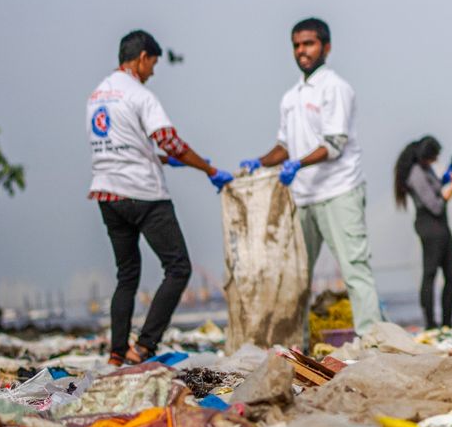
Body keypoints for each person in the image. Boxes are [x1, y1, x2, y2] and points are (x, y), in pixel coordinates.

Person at [87, 30, 230, 366]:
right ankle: (144, 347)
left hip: (107, 193)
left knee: (127, 275)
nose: (152, 72)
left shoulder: (96, 96)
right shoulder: (140, 95)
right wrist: (207, 168)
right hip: (144, 194)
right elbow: (169, 140)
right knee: (178, 267)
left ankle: (116, 354)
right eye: (152, 64)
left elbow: (128, 145)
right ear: (142, 58)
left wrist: (164, 159)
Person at [238, 18, 382, 333]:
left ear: (326, 47)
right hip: (302, 197)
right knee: (296, 276)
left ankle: (372, 339)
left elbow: (334, 144)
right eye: (297, 45)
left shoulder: (335, 88)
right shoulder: (290, 97)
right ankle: (296, 344)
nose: (302, 51)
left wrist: (296, 165)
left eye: (309, 44)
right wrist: (260, 163)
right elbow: (284, 146)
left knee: (354, 268)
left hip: (339, 191)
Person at [393, 135, 452, 329]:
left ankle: (447, 323)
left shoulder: (425, 168)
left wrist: (447, 177)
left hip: (442, 225)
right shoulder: (415, 173)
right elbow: (436, 205)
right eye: (434, 157)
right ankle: (430, 323)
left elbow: (437, 187)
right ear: (425, 156)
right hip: (430, 225)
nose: (435, 161)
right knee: (430, 274)